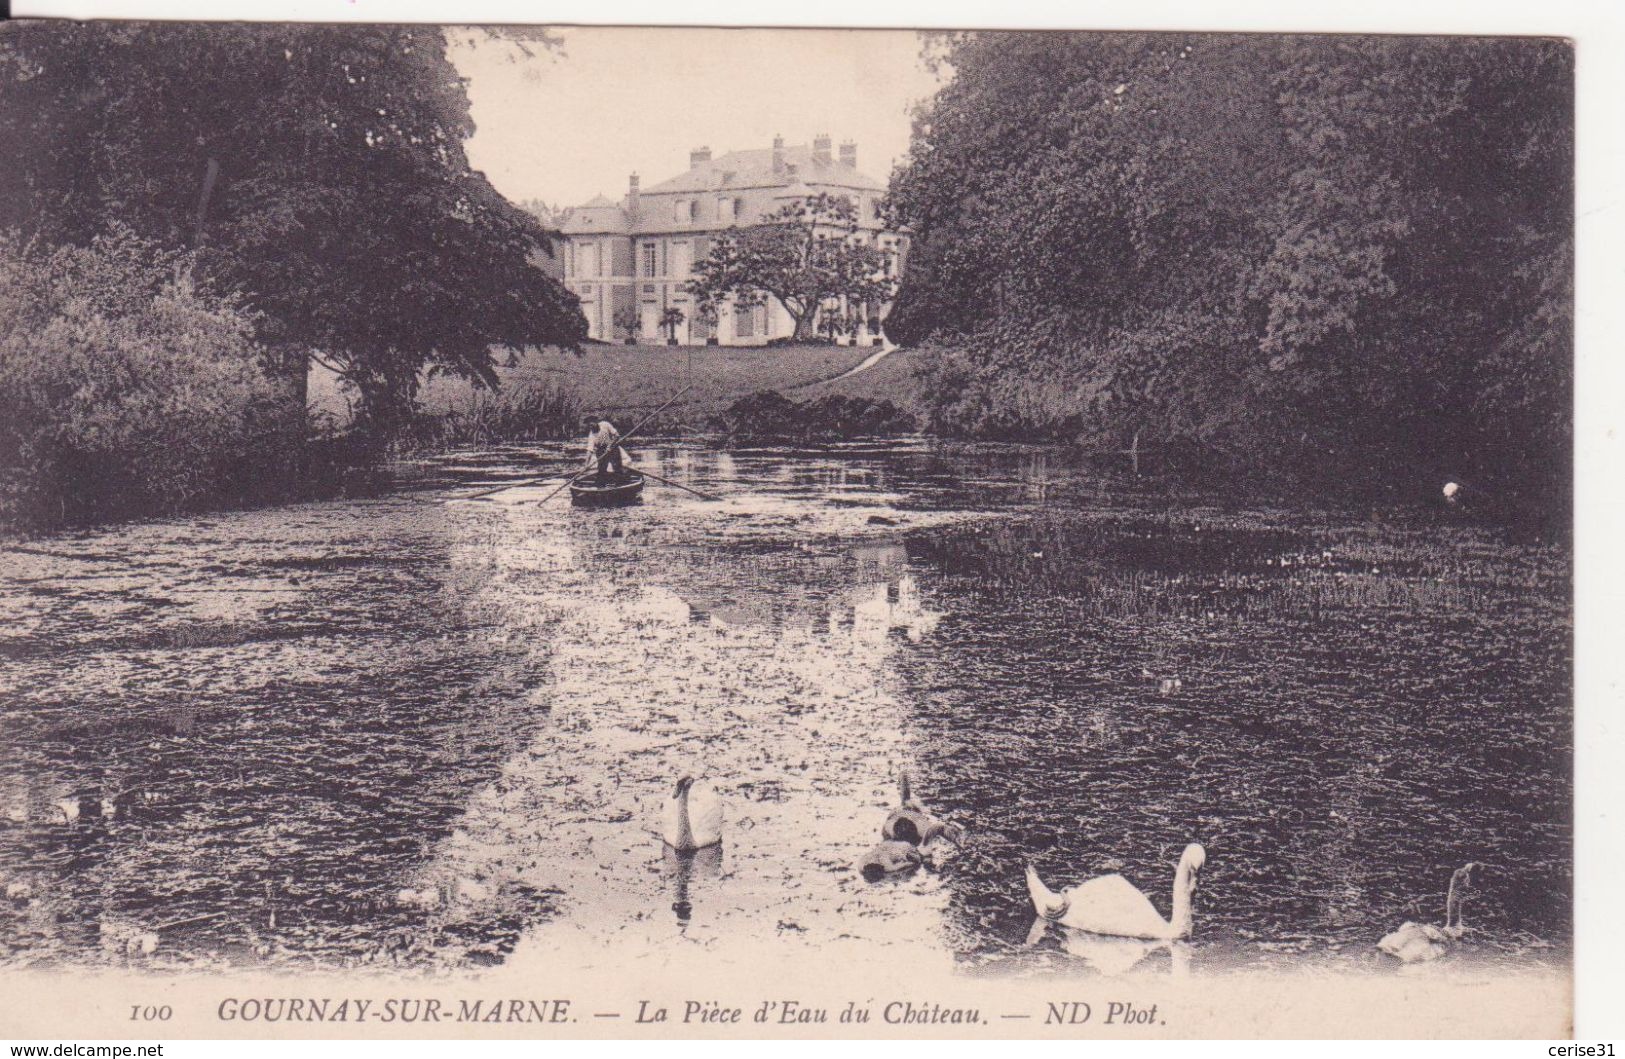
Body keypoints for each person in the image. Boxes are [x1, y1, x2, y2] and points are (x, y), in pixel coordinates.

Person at [582, 414, 627, 481]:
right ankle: (601, 486)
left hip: (613, 448)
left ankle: (621, 482)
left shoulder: (605, 424)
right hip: (601, 451)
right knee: (601, 472)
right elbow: (589, 451)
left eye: (591, 424)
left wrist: (610, 445)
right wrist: (586, 465)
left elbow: (617, 436)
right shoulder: (591, 435)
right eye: (589, 425)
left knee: (617, 469)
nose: (590, 427)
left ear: (596, 421)